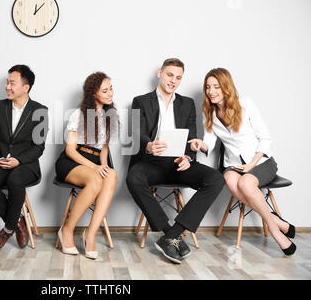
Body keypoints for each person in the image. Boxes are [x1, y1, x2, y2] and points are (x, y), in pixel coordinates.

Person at [126, 58, 225, 264]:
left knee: (216, 179)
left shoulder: (187, 103)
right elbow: (137, 133)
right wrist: (149, 146)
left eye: (178, 77)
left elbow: (193, 138)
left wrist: (189, 157)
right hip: (151, 162)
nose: (173, 80)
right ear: (160, 73)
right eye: (170, 75)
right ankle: (168, 231)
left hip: (179, 162)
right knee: (133, 178)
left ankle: (172, 235)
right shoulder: (140, 101)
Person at [188, 67, 296, 255]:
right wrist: (200, 144)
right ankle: (276, 221)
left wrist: (251, 165)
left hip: (261, 161)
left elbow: (266, 138)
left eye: (216, 87)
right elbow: (210, 144)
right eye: (208, 87)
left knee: (246, 183)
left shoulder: (246, 105)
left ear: (226, 87)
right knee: (229, 180)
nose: (211, 92)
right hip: (233, 164)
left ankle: (274, 230)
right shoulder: (211, 113)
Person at [0, 65, 48, 251]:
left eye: (12, 83)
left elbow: (39, 147)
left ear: (25, 87)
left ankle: (6, 230)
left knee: (15, 181)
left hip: (25, 164)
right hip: (0, 160)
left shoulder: (40, 111)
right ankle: (18, 222)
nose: (7, 87)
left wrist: (18, 160)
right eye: (7, 82)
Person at [55, 72, 119, 260]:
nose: (110, 93)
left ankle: (90, 234)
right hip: (73, 161)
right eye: (105, 90)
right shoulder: (78, 114)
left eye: (111, 88)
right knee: (96, 178)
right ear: (93, 94)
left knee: (112, 175)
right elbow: (70, 151)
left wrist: (104, 167)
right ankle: (67, 230)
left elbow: (104, 149)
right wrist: (95, 167)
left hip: (95, 160)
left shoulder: (110, 115)